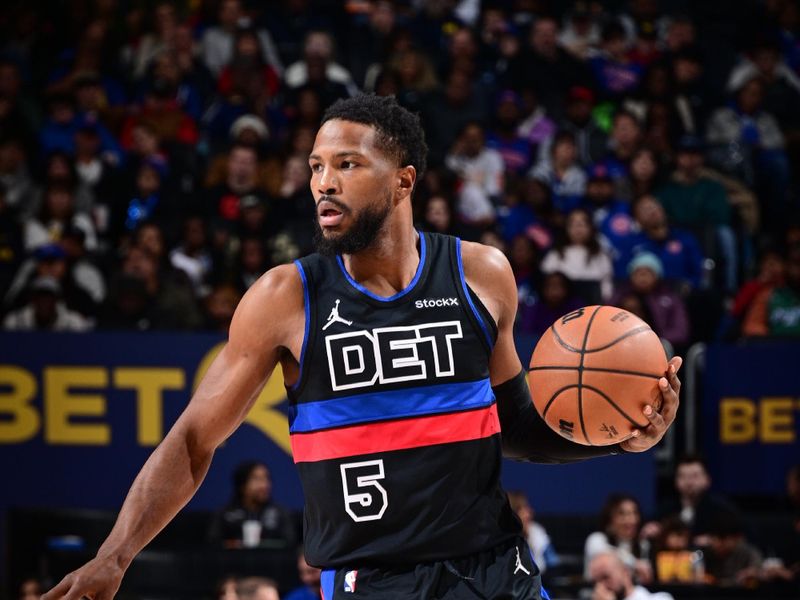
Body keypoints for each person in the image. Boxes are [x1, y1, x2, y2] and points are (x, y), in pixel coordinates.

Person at [43, 94, 681, 600]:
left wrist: (624, 438)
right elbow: (192, 440)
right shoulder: (285, 298)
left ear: (403, 181)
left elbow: (512, 422)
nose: (323, 182)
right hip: (374, 583)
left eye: (347, 164)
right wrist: (116, 554)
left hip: (498, 574)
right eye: (317, 166)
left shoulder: (480, 274)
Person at [209, 460, 296, 549]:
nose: (264, 485)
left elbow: (289, 543)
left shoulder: (279, 513)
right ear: (242, 485)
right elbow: (214, 543)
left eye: (266, 478)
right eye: (257, 479)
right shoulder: (225, 514)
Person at [585, 493, 653, 584]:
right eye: (622, 514)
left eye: (634, 513)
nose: (631, 520)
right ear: (609, 519)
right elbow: (607, 559)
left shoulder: (643, 545)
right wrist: (635, 564)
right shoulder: (596, 539)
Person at [588, 552, 674, 600]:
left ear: (625, 572)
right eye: (595, 582)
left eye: (606, 577)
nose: (600, 586)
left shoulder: (660, 598)